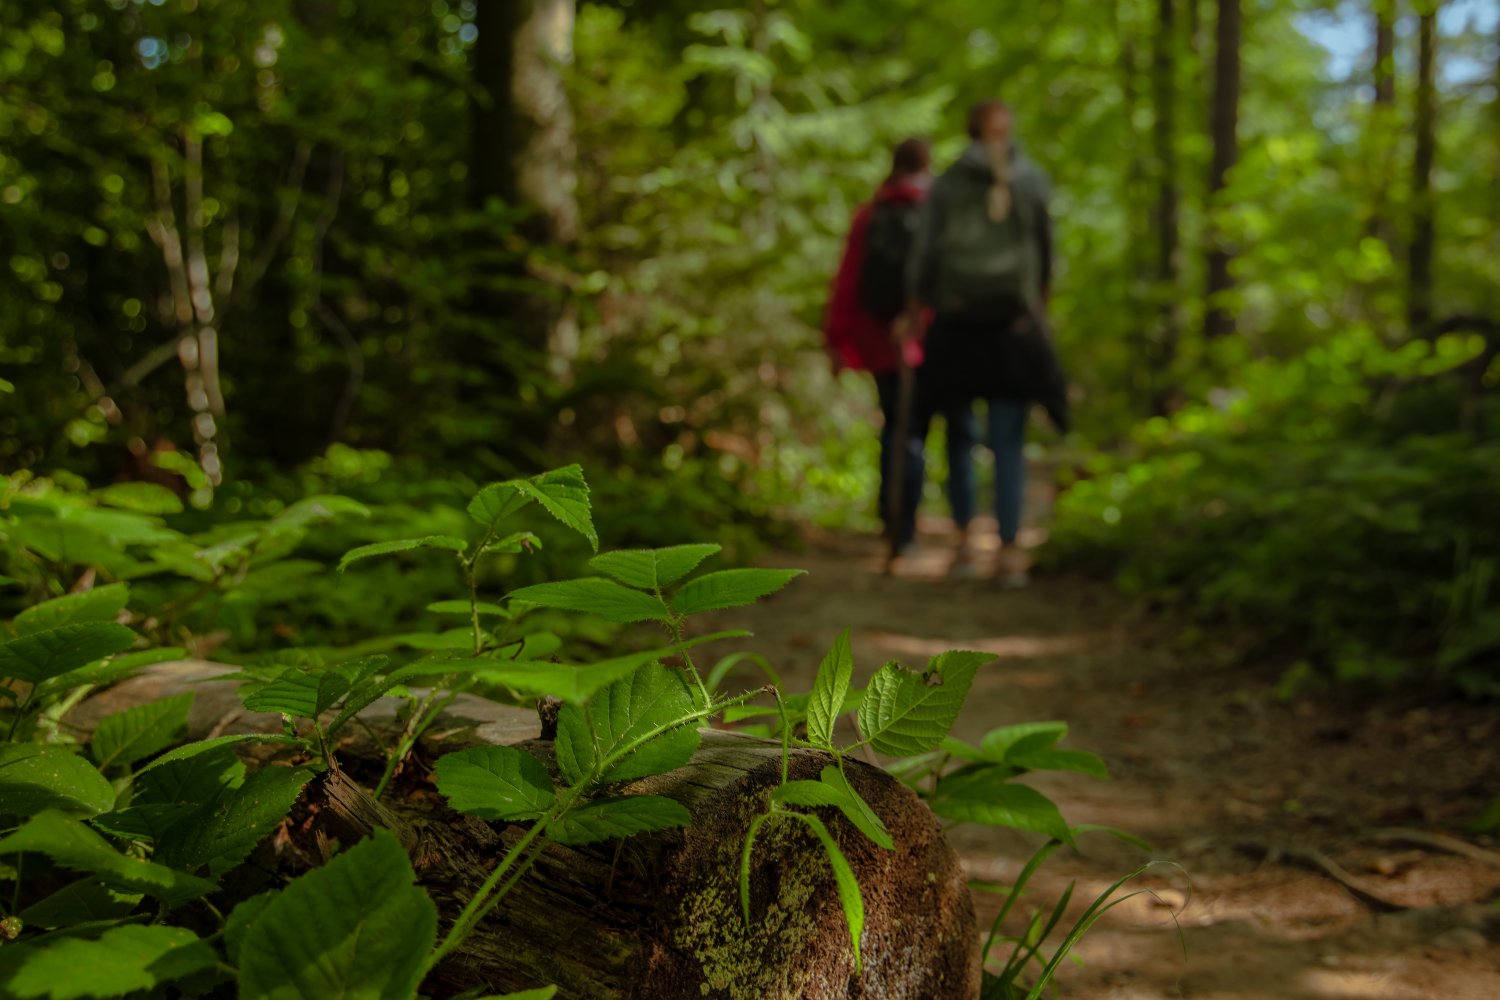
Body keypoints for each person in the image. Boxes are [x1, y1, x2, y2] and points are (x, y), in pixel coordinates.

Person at [901, 99, 1066, 587]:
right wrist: (1040, 311)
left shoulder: (947, 185)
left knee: (960, 437)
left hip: (956, 325)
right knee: (1009, 441)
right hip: (1014, 327)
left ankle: (964, 545)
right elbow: (1049, 254)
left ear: (969, 133)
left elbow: (924, 253)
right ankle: (1010, 551)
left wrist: (914, 310)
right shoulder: (1031, 180)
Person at [823, 138, 932, 553]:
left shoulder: (870, 215)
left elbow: (847, 280)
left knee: (895, 426)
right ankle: (908, 526)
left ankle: (893, 520)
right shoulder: (935, 212)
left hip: (880, 339)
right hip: (925, 338)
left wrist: (836, 340)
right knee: (917, 429)